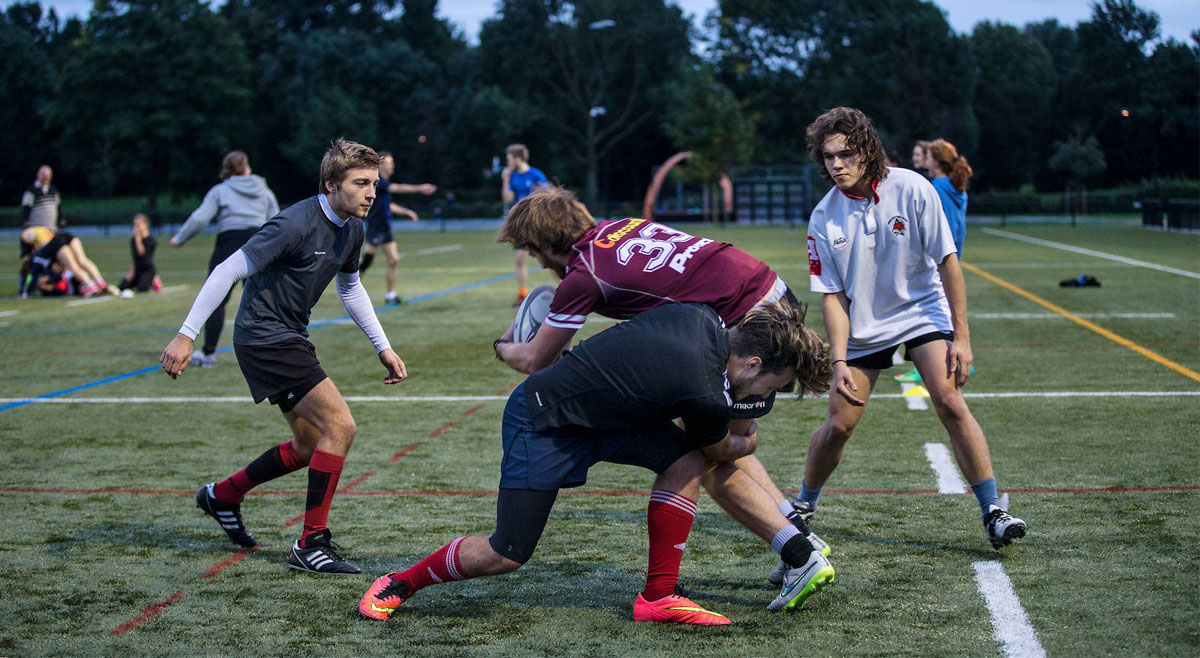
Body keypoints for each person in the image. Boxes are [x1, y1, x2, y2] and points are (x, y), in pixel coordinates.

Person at [360, 302, 835, 625]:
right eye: (773, 385)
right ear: (752, 362)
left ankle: (658, 596)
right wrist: (748, 439)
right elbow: (724, 450)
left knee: (683, 457)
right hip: (543, 421)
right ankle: (397, 583)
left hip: (602, 415)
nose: (765, 395)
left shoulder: (700, 317)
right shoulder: (704, 391)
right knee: (506, 553)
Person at [492, 186, 834, 583]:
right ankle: (799, 538)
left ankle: (800, 551)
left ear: (544, 244)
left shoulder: (584, 276)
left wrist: (502, 345)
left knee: (708, 453)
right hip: (770, 299)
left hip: (747, 327)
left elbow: (536, 360)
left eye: (532, 252)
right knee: (715, 447)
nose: (536, 261)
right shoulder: (619, 227)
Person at [160, 138, 408, 575]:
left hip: (288, 336)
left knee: (310, 444)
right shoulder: (294, 222)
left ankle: (223, 495)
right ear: (331, 184)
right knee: (340, 426)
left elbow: (349, 287)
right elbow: (227, 269)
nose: (372, 192)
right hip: (265, 338)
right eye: (361, 183)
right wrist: (186, 335)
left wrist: (382, 345)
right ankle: (311, 543)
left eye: (375, 183)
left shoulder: (352, 227)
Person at [799, 107, 1025, 549]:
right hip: (864, 323)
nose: (836, 165)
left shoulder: (914, 188)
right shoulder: (823, 217)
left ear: (866, 150)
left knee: (949, 402)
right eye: (828, 157)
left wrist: (962, 337)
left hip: (922, 311)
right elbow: (833, 296)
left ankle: (993, 509)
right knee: (839, 425)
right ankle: (804, 504)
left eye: (845, 154)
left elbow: (948, 262)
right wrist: (839, 359)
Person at [171, 151, 278, 368]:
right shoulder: (263, 189)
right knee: (261, 301)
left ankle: (208, 353)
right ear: (247, 168)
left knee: (216, 299)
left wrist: (180, 238)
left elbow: (200, 218)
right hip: (259, 242)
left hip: (228, 244)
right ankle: (267, 355)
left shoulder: (220, 190)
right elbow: (276, 219)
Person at [358, 151, 437, 305]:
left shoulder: (384, 184)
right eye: (388, 163)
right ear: (380, 165)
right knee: (367, 261)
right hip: (376, 225)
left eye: (391, 163)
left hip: (385, 227)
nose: (391, 166)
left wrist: (406, 212)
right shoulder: (379, 182)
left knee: (393, 259)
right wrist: (420, 188)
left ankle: (390, 295)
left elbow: (389, 205)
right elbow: (397, 188)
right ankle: (349, 288)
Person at [500, 143, 548, 306]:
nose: (508, 163)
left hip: (535, 223)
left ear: (518, 158)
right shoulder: (513, 176)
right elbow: (507, 199)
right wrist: (505, 180)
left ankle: (566, 288)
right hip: (520, 224)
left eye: (509, 160)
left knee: (548, 257)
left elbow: (546, 197)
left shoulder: (536, 175)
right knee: (520, 259)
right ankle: (522, 294)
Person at [26, 228, 115, 298]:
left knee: (73, 267)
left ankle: (91, 287)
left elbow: (34, 278)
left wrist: (26, 293)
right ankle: (101, 283)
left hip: (57, 243)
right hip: (66, 235)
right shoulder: (41, 256)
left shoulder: (37, 261)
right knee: (83, 260)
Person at [18, 165, 61, 297]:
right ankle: (24, 286)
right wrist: (27, 229)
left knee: (48, 263)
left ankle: (40, 285)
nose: (45, 177)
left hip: (50, 233)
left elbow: (59, 208)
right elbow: (25, 210)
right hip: (34, 233)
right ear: (38, 175)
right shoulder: (31, 191)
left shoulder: (53, 191)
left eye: (48, 175)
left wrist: (61, 225)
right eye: (43, 175)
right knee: (28, 261)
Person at [119, 213, 161, 294]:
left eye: (138, 225)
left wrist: (138, 239)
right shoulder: (133, 240)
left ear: (146, 225)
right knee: (123, 286)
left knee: (142, 288)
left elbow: (141, 252)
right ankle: (138, 280)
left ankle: (154, 280)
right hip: (137, 270)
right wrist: (131, 272)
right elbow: (134, 257)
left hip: (147, 270)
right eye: (134, 225)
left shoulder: (151, 240)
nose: (136, 228)